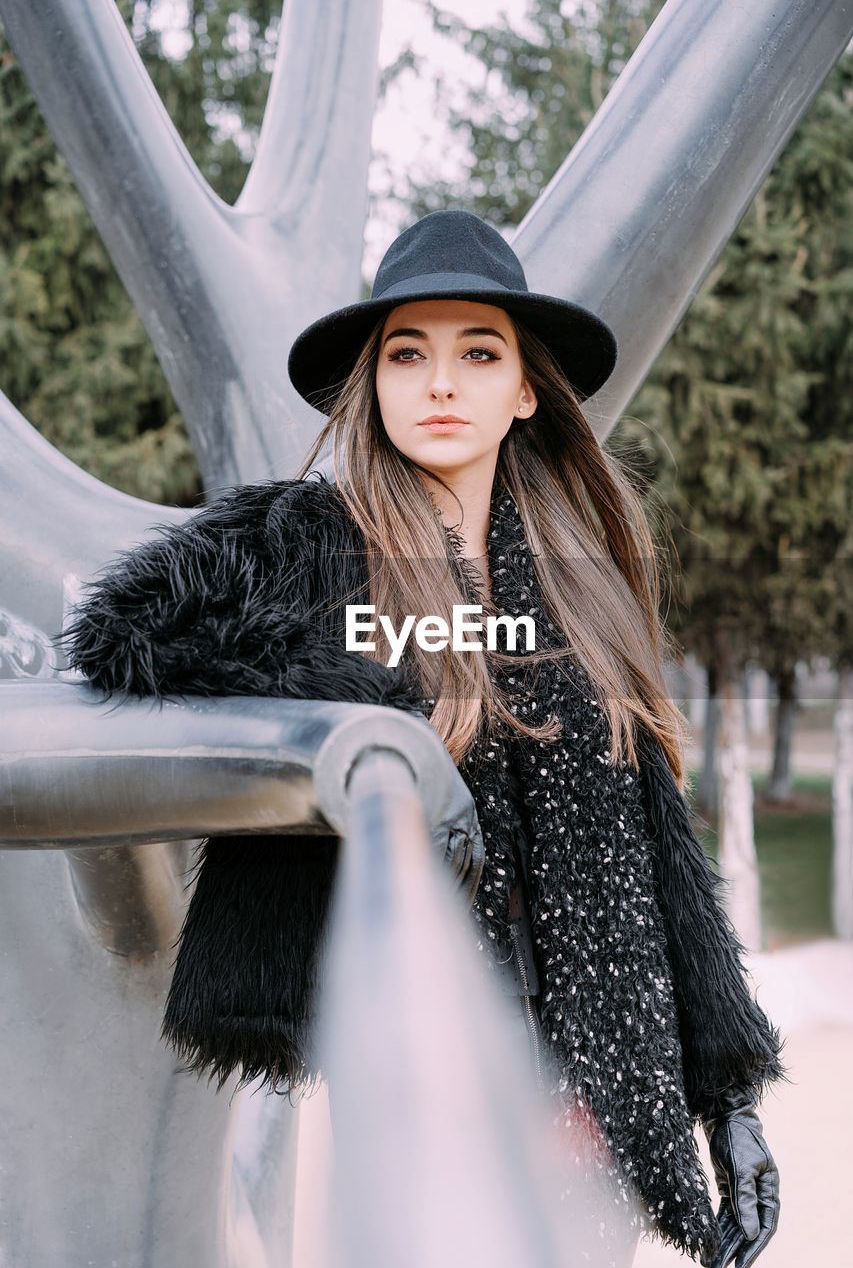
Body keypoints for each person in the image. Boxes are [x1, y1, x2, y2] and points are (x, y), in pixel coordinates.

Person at [58, 209, 788, 1268]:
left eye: (477, 353)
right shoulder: (315, 547)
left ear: (524, 389)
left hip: (592, 1094)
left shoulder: (576, 592)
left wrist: (729, 1099)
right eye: (408, 354)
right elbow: (126, 628)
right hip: (421, 1079)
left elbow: (659, 850)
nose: (440, 383)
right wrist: (366, 708)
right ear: (375, 382)